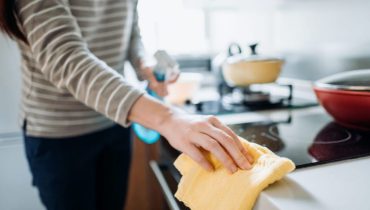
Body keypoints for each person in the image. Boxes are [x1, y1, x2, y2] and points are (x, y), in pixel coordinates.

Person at [0, 0, 253, 210]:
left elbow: (131, 33)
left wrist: (144, 65)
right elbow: (66, 59)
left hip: (113, 122)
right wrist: (168, 118)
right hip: (58, 133)